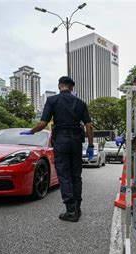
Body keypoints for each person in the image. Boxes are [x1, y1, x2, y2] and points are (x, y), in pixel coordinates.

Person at [20, 76, 94, 222]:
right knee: (76, 175)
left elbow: (43, 123)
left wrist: (31, 131)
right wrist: (90, 145)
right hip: (76, 141)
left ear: (60, 86)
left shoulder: (52, 100)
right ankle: (77, 207)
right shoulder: (81, 103)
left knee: (64, 175)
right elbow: (89, 126)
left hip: (61, 141)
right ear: (72, 87)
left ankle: (70, 210)